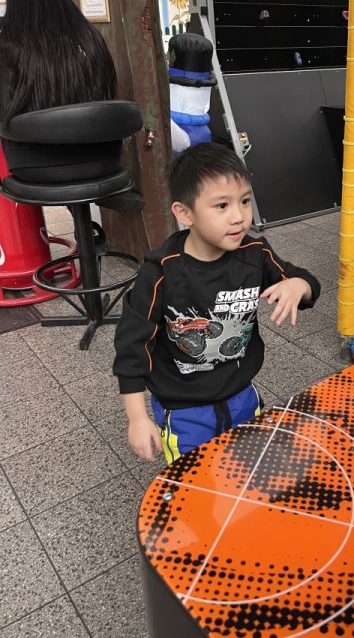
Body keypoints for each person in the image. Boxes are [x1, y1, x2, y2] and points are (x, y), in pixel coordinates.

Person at [113, 142, 321, 463]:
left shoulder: (255, 254)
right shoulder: (161, 272)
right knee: (196, 479)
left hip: (242, 395)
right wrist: (137, 418)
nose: (239, 217)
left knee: (251, 469)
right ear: (185, 213)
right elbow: (132, 346)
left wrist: (298, 285)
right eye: (222, 206)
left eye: (245, 201)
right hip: (184, 409)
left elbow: (308, 282)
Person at [0, 0, 143, 209]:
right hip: (103, 160)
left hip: (34, 166)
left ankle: (79, 217)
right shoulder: (89, 37)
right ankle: (86, 218)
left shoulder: (8, 45)